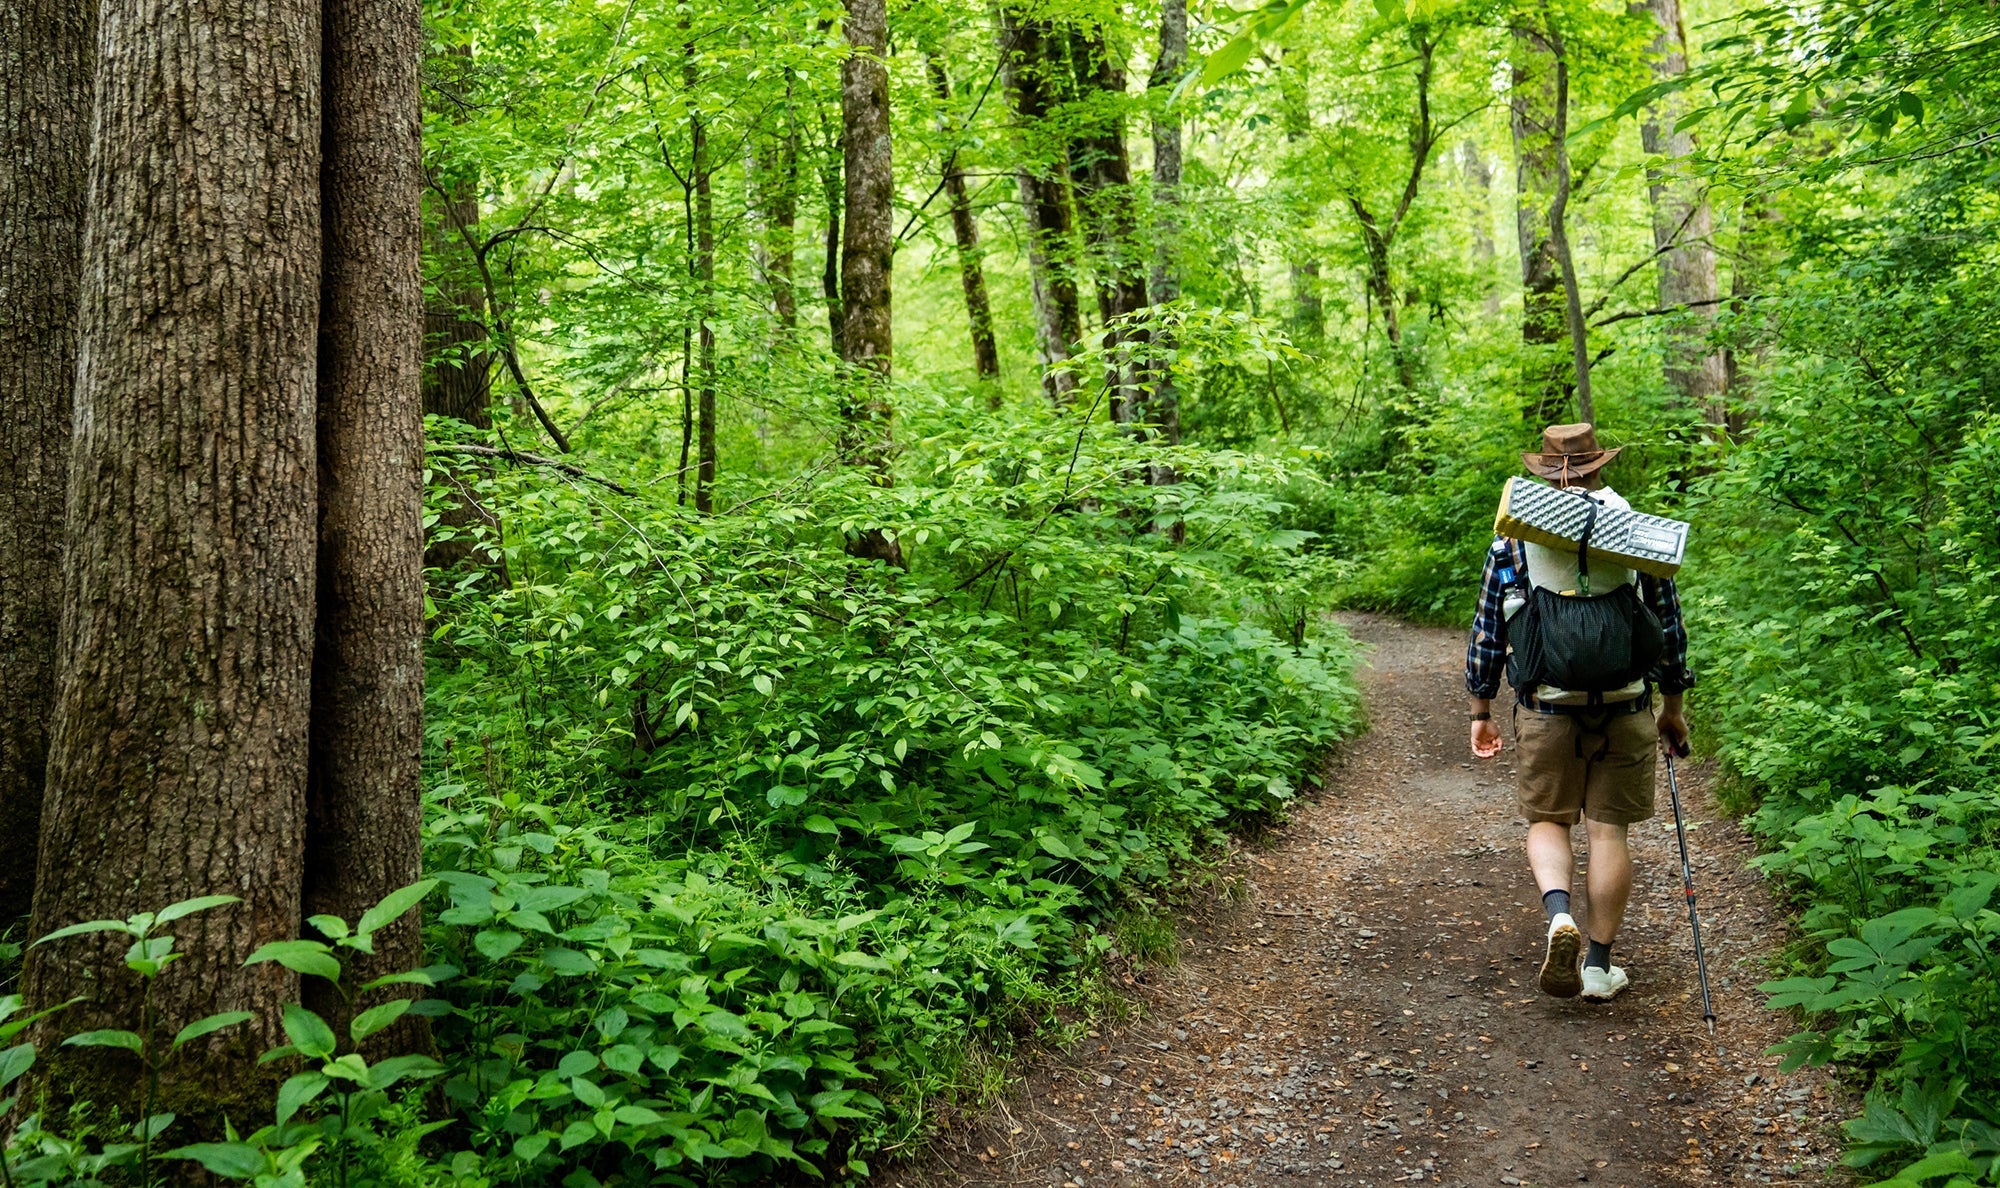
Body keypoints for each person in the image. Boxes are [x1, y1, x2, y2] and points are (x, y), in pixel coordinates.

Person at [1464, 423, 1693, 1001]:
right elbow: (1666, 626)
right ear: (1599, 469)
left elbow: (1489, 628)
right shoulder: (1637, 534)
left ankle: (1559, 915)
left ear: (1546, 471)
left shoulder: (1513, 539)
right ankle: (1598, 965)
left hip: (1548, 705)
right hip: (1625, 702)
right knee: (1608, 829)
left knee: (1548, 820)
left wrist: (1481, 707)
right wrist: (1673, 705)